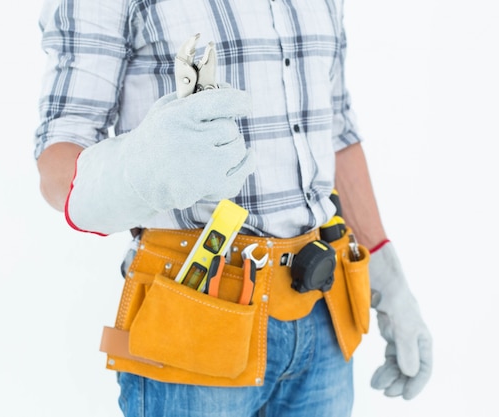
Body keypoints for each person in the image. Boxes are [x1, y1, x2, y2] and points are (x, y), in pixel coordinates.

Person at [34, 0, 433, 415]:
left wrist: (387, 274)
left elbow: (336, 128)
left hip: (323, 316)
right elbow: (58, 164)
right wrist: (143, 167)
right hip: (195, 320)